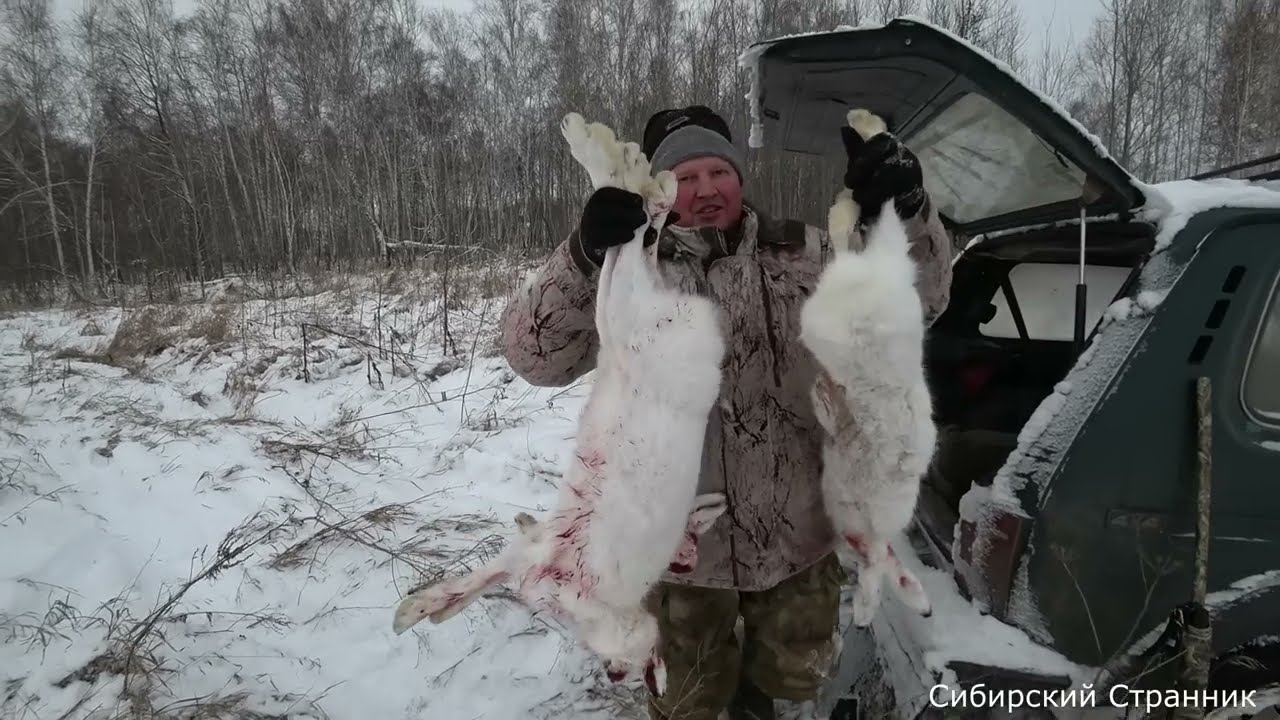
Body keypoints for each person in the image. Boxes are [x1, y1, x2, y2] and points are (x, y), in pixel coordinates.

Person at [498, 105, 954, 720]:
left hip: (796, 540)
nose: (708, 190)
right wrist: (580, 257)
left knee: (793, 687)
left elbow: (920, 300)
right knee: (688, 701)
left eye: (719, 170)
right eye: (685, 177)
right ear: (658, 188)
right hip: (679, 555)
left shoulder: (808, 256)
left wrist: (906, 212)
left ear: (740, 174)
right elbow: (533, 357)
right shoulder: (629, 275)